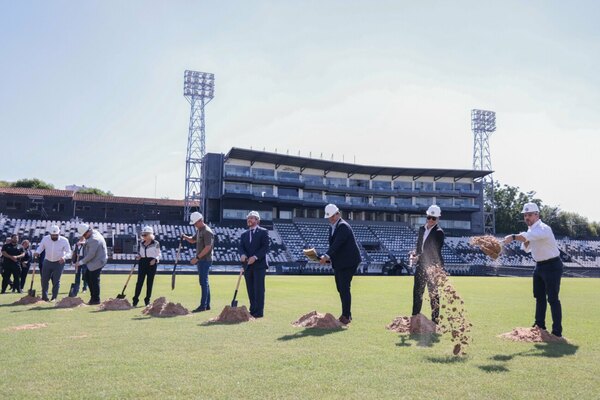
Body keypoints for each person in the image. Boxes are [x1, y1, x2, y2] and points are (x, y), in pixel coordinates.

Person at [503, 202, 564, 337]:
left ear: (537, 215)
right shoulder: (531, 231)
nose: (527, 218)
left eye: (529, 215)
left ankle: (557, 332)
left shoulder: (543, 228)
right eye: (525, 215)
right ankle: (539, 326)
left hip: (552, 265)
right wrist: (522, 237)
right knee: (539, 297)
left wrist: (513, 237)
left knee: (553, 298)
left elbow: (526, 237)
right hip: (540, 266)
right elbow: (527, 247)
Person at [319, 204, 362, 325]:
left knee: (344, 287)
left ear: (338, 214)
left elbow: (337, 244)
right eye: (329, 217)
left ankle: (346, 316)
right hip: (340, 261)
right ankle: (347, 313)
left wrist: (327, 256)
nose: (330, 219)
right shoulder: (332, 227)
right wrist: (328, 258)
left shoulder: (343, 226)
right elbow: (334, 246)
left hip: (349, 261)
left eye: (332, 216)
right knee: (340, 288)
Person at [411, 205, 445, 324]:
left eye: (433, 218)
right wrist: (414, 254)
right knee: (417, 292)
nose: (431, 220)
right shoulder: (421, 229)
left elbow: (432, 250)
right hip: (421, 265)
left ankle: (435, 321)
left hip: (433, 267)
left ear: (438, 219)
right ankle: (415, 317)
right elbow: (419, 246)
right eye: (429, 217)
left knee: (433, 294)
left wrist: (419, 257)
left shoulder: (439, 233)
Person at [238, 211, 270, 318]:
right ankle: (252, 310)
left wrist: (255, 257)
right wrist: (242, 254)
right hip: (247, 266)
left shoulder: (263, 232)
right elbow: (241, 247)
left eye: (252, 218)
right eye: (248, 218)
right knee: (250, 289)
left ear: (257, 220)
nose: (249, 220)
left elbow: (265, 248)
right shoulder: (244, 235)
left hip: (259, 265)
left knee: (259, 289)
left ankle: (259, 312)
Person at [183, 212, 214, 313]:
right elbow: (192, 240)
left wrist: (197, 258)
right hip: (202, 260)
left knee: (203, 282)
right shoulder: (199, 230)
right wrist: (185, 237)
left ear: (201, 220)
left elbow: (208, 247)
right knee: (205, 283)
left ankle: (203, 305)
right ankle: (207, 305)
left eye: (195, 223)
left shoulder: (207, 231)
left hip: (205, 260)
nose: (195, 225)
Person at [34, 225, 71, 301]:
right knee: (44, 280)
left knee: (56, 281)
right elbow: (40, 247)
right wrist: (37, 252)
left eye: (56, 235)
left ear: (59, 233)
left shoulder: (64, 240)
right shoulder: (45, 239)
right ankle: (44, 297)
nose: (54, 237)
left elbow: (69, 253)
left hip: (59, 262)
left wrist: (64, 257)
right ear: (50, 234)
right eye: (52, 235)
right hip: (47, 261)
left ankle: (54, 297)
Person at [74, 223, 107, 305]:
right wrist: (83, 243)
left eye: (84, 235)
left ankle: (96, 299)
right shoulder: (94, 233)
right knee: (88, 277)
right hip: (96, 259)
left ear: (88, 231)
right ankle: (93, 297)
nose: (84, 237)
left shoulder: (94, 239)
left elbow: (91, 255)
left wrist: (80, 263)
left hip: (98, 261)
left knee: (94, 280)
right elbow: (88, 243)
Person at [133, 226, 161, 307]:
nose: (143, 236)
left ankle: (147, 300)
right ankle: (135, 300)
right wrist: (139, 256)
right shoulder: (141, 243)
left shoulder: (156, 243)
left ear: (150, 235)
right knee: (139, 282)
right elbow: (140, 253)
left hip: (152, 263)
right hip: (142, 262)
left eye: (145, 235)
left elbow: (159, 254)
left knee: (149, 283)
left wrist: (155, 259)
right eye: (143, 235)